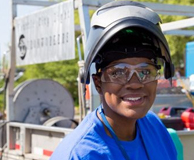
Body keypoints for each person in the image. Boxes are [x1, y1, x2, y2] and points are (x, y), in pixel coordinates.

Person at [50, 1, 177, 160]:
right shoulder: (82, 154)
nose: (135, 83)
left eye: (145, 71)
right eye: (118, 73)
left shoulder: (154, 127)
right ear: (98, 83)